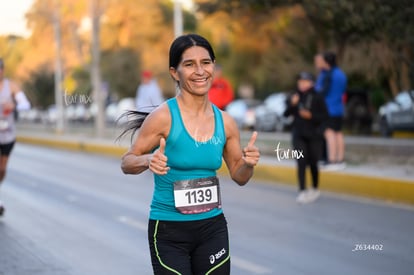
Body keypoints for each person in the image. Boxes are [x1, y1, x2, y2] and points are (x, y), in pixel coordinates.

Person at [120, 34, 260, 274]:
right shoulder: (163, 117)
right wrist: (147, 160)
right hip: (169, 231)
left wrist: (247, 164)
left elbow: (239, 176)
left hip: (212, 228)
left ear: (213, 66)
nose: (200, 71)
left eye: (206, 62)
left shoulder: (225, 122)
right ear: (175, 73)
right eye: (189, 64)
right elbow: (127, 162)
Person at [284, 72, 328, 204]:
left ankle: (314, 188)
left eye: (305, 81)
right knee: (301, 162)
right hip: (298, 135)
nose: (302, 84)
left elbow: (324, 117)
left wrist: (311, 116)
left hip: (314, 135)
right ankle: (302, 190)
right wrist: (292, 104)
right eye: (300, 81)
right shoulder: (294, 96)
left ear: (311, 83)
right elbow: (285, 114)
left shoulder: (318, 96)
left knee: (314, 162)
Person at [0, 58, 31, 216]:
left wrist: (14, 105)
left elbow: (26, 105)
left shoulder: (10, 87)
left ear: (3, 70)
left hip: (7, 135)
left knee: (2, 168)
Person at [314, 52, 347, 170]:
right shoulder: (341, 74)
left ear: (326, 62)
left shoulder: (329, 75)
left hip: (329, 109)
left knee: (329, 133)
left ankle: (332, 160)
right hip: (339, 108)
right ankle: (341, 160)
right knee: (338, 133)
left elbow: (322, 92)